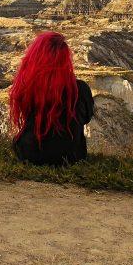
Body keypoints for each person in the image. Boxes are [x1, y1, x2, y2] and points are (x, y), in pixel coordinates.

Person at [10, 31, 93, 166]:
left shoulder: (28, 86)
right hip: (71, 157)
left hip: (30, 153)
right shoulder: (80, 89)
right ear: (66, 59)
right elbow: (86, 117)